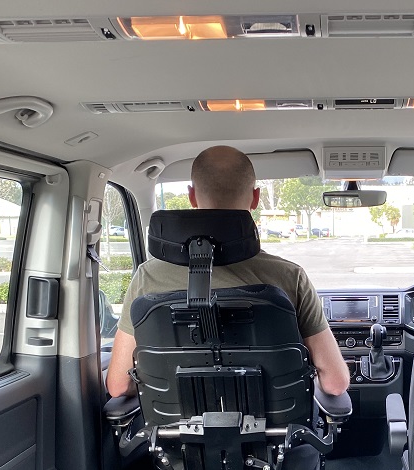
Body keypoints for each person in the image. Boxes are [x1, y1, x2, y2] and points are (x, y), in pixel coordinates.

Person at [106, 146, 349, 398]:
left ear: (191, 196)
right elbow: (335, 383)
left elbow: (118, 385)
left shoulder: (147, 278)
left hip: (175, 423)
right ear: (255, 198)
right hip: (279, 423)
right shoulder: (290, 277)